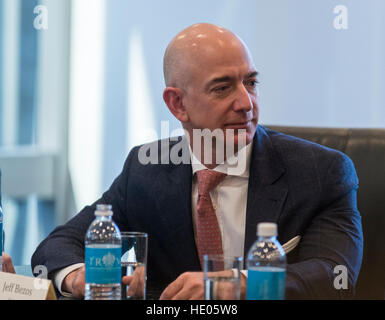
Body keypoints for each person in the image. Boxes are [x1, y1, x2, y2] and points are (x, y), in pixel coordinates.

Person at [31, 23, 363, 299]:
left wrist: (234, 285)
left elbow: (335, 275)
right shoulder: (147, 168)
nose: (246, 103)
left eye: (251, 82)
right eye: (222, 88)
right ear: (178, 105)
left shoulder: (321, 172)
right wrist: (78, 276)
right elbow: (61, 244)